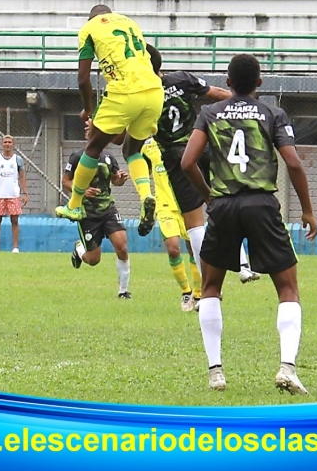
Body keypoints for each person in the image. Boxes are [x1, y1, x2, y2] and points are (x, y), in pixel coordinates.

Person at [181, 54, 317, 394]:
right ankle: (287, 367)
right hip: (261, 205)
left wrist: (209, 195)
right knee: (287, 287)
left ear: (227, 82)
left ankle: (216, 372)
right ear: (260, 82)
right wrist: (307, 210)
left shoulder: (209, 113)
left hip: (224, 206)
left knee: (211, 287)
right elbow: (294, 164)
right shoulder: (273, 113)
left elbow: (187, 162)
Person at [146, 44, 261, 286]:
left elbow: (121, 137)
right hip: (202, 144)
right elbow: (214, 92)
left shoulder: (141, 94)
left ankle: (208, 283)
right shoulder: (181, 79)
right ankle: (243, 265)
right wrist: (244, 100)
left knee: (195, 223)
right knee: (226, 201)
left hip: (177, 158)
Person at [55, 4, 164, 241]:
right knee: (132, 149)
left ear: (92, 18)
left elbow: (83, 78)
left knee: (93, 146)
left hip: (124, 91)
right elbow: (153, 57)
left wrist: (88, 108)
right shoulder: (130, 23)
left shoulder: (89, 29)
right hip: (155, 91)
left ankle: (74, 204)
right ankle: (146, 194)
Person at [63, 120, 133, 299]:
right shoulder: (77, 157)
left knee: (122, 247)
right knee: (93, 260)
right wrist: (82, 191)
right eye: (89, 131)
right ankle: (79, 248)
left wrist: (120, 179)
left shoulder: (109, 158)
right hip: (87, 213)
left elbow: (115, 181)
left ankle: (123, 292)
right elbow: (66, 181)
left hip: (108, 209)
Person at [141, 137, 202, 311]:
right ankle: (185, 292)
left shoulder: (185, 142)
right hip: (165, 206)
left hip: (186, 204)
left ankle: (198, 294)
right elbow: (141, 169)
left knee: (193, 248)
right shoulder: (148, 147)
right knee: (173, 248)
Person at [0, 135, 29, 253]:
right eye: (5, 142)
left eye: (9, 142)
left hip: (13, 194)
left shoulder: (18, 160)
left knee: (14, 220)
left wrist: (25, 193)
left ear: (13, 144)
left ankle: (15, 247)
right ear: (2, 144)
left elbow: (22, 177)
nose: (7, 144)